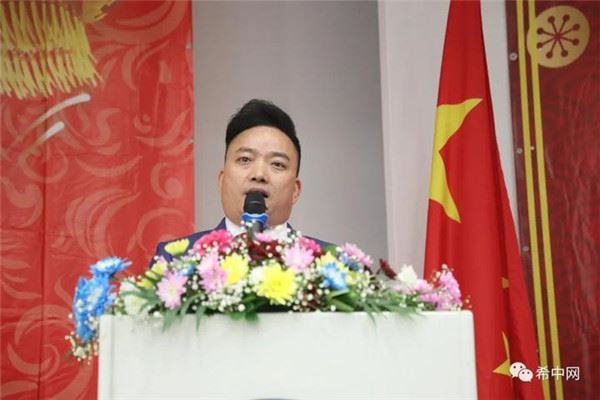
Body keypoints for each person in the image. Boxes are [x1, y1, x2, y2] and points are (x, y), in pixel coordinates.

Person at [149, 99, 330, 266]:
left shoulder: (329, 263)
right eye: (245, 159)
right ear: (221, 181)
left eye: (277, 164)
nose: (259, 174)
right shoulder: (176, 259)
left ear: (295, 191)